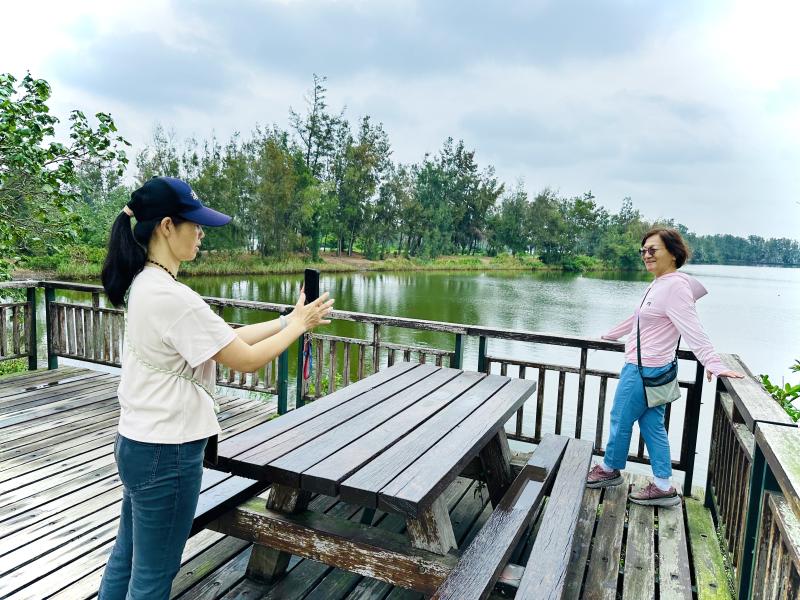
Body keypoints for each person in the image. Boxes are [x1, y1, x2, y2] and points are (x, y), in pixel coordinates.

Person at [98, 176, 334, 599]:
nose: (202, 233)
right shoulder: (174, 297)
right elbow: (244, 360)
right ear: (167, 227)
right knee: (153, 575)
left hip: (137, 442)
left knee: (127, 556)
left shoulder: (146, 286)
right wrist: (300, 326)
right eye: (195, 224)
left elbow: (225, 338)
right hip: (166, 453)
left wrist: (286, 321)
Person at [586, 226, 743, 506]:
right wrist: (610, 334)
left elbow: (694, 329)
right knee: (652, 426)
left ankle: (609, 470)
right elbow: (640, 318)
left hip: (643, 371)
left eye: (653, 250)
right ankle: (663, 485)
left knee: (620, 419)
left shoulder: (674, 287)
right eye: (643, 250)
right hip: (658, 371)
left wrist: (713, 363)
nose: (646, 255)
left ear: (673, 253)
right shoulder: (660, 283)